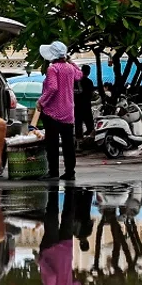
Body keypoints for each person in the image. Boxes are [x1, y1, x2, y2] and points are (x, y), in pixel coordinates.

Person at [35, 41, 82, 181]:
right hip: (68, 112)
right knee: (68, 145)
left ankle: (53, 171)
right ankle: (70, 172)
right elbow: (79, 75)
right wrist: (71, 62)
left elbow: (52, 88)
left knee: (52, 144)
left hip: (52, 113)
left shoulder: (53, 69)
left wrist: (41, 102)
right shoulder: (70, 68)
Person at [37, 185, 81, 285]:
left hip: (66, 251)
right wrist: (40, 262)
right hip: (50, 251)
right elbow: (51, 276)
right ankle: (53, 191)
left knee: (68, 217)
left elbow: (78, 284)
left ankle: (70, 191)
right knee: (51, 218)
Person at [74, 64, 95, 140]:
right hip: (86, 106)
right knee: (90, 123)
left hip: (77, 106)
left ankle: (79, 141)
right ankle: (92, 139)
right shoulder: (89, 82)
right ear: (89, 72)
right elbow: (91, 94)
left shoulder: (76, 82)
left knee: (78, 124)